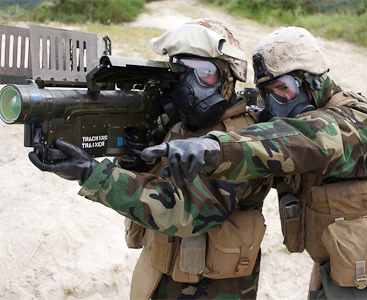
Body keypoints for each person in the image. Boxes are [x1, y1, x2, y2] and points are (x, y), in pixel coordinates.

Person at [142, 27, 367, 299]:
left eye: (283, 89)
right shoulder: (310, 111)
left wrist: (214, 148)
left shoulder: (355, 123)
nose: (276, 104)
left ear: (314, 81)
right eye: (267, 94)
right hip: (344, 256)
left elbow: (305, 138)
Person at [29, 18, 273, 300]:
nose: (187, 84)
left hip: (213, 289)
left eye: (205, 72)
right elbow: (149, 194)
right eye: (180, 72)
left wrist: (93, 174)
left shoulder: (240, 137)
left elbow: (186, 212)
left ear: (230, 79)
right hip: (158, 277)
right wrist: (135, 165)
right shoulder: (179, 125)